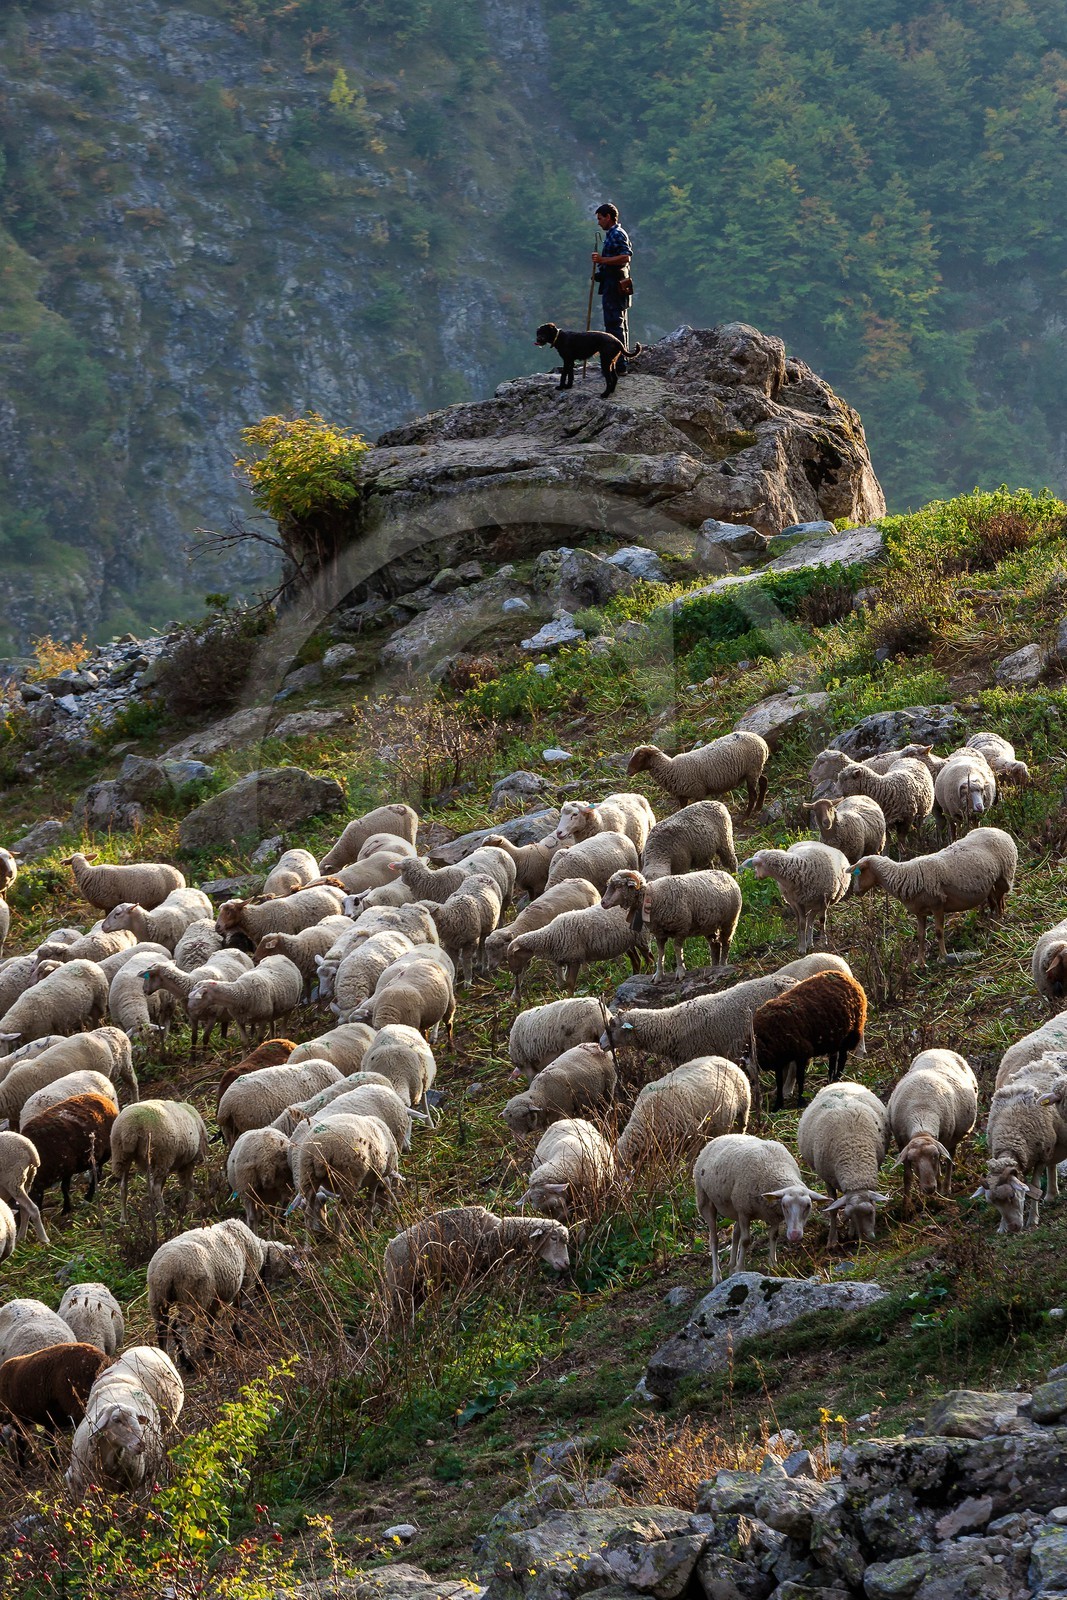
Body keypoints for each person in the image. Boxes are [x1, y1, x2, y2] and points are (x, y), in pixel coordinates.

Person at [592, 203, 633, 371]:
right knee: (617, 323)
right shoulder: (612, 234)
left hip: (615, 285)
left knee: (614, 323)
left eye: (600, 218)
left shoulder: (617, 234)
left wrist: (602, 261)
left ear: (608, 217)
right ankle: (620, 360)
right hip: (613, 282)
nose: (599, 222)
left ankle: (619, 364)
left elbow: (625, 257)